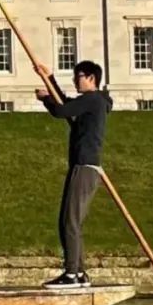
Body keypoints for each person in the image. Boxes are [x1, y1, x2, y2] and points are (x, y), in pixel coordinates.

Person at [34, 60, 113, 289]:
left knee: (69, 221)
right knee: (72, 221)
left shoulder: (93, 99)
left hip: (84, 166)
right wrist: (49, 80)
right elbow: (67, 104)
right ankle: (78, 272)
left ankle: (72, 273)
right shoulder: (95, 101)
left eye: (78, 76)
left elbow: (61, 110)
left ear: (90, 78)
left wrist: (45, 98)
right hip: (86, 167)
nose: (75, 80)